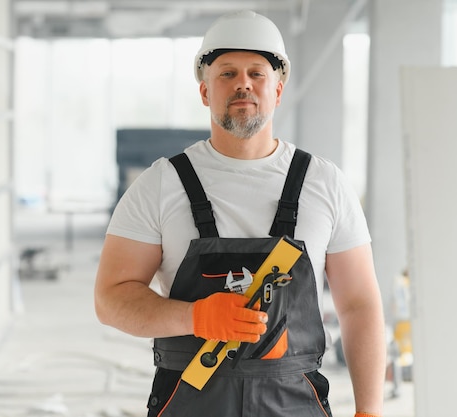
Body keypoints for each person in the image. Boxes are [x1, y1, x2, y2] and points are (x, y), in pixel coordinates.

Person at [94, 10, 385, 417]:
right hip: (190, 402)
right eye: (227, 73)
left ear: (278, 91)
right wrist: (193, 316)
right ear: (205, 92)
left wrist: (369, 410)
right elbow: (111, 299)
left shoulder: (324, 183)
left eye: (257, 73)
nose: (243, 83)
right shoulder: (161, 184)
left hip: (295, 404)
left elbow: (359, 305)